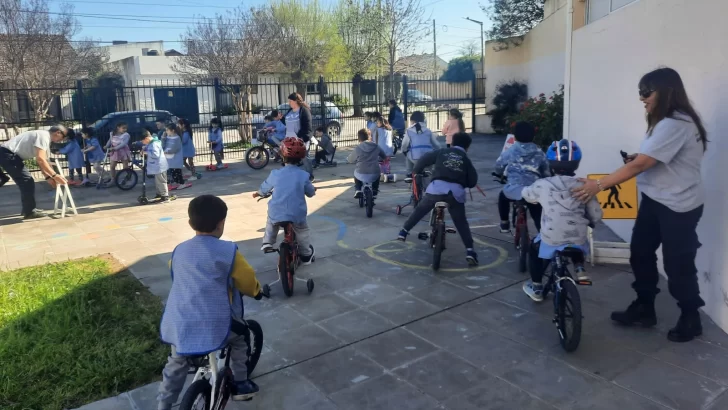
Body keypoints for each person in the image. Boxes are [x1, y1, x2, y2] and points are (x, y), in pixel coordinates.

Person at [572, 67, 708, 343]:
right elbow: (649, 158)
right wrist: (641, 156)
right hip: (656, 200)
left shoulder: (675, 123)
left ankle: (691, 317)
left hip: (678, 206)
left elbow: (642, 165)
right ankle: (645, 307)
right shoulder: (670, 120)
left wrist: (598, 185)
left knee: (677, 264)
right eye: (640, 92)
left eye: (647, 92)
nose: (642, 98)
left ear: (666, 91)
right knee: (641, 254)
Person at [157, 195, 263, 410]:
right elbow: (246, 279)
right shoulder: (229, 252)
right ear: (222, 223)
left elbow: (175, 272)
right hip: (215, 321)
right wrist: (257, 292)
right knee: (241, 337)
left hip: (180, 322)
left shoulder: (179, 250)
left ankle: (163, 404)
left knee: (176, 362)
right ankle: (241, 383)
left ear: (190, 223)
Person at [521, 140, 602, 302]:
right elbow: (595, 213)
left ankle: (536, 287)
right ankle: (579, 268)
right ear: (576, 164)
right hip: (577, 235)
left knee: (534, 249)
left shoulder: (542, 185)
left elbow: (527, 195)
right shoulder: (585, 185)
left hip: (552, 236)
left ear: (550, 163)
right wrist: (592, 221)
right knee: (578, 240)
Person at [397, 132, 479, 266]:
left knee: (420, 209)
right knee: (461, 222)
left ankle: (404, 231)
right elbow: (473, 180)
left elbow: (423, 160)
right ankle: (470, 251)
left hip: (436, 189)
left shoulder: (442, 152)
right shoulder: (465, 158)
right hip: (455, 194)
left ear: (451, 143)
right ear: (467, 147)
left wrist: (416, 171)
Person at [254, 137, 316, 263]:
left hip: (277, 212)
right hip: (297, 214)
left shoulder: (275, 174)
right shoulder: (304, 175)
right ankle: (305, 254)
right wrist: (313, 190)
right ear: (301, 158)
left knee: (271, 222)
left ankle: (267, 243)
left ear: (282, 155)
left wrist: (259, 193)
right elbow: (310, 192)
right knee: (302, 231)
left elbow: (265, 187)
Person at [0, 125, 68, 219]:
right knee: (27, 181)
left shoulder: (44, 137)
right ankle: (29, 211)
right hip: (8, 155)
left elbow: (43, 161)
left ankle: (28, 209)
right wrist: (55, 176)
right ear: (58, 133)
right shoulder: (44, 136)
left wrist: (48, 177)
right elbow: (40, 159)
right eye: (63, 137)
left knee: (26, 181)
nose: (62, 140)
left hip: (8, 155)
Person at [494, 121, 550, 233]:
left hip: (514, 189)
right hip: (533, 189)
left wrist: (500, 174)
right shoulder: (539, 152)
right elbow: (546, 171)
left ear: (514, 137)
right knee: (536, 209)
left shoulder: (511, 150)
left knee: (502, 197)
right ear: (533, 136)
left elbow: (498, 165)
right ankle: (542, 233)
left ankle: (504, 223)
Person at [348, 128, 386, 199]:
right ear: (369, 137)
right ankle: (375, 190)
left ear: (359, 139)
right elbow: (384, 156)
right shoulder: (376, 146)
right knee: (378, 172)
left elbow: (350, 160)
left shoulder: (358, 148)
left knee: (355, 173)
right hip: (374, 173)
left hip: (361, 173)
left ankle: (358, 189)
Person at [402, 111, 440, 177]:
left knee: (408, 155)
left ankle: (409, 175)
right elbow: (437, 145)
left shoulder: (409, 131)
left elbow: (404, 145)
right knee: (429, 171)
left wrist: (404, 151)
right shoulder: (428, 131)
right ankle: (429, 178)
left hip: (415, 158)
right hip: (428, 157)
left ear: (413, 121)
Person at [141, 130, 174, 203]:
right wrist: (145, 148)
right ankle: (159, 194)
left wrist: (146, 152)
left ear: (146, 138)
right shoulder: (152, 142)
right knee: (158, 181)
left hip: (159, 166)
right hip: (157, 166)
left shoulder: (154, 144)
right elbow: (149, 147)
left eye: (143, 141)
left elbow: (156, 154)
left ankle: (165, 196)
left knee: (161, 181)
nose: (143, 143)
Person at [164, 124, 189, 190]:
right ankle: (177, 183)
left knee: (177, 172)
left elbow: (175, 149)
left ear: (173, 130)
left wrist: (167, 152)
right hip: (169, 158)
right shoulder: (168, 137)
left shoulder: (177, 138)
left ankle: (182, 183)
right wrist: (163, 137)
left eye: (167, 130)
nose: (166, 131)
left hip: (175, 158)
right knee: (172, 172)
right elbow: (163, 144)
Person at [373, 117, 394, 181]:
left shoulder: (377, 130)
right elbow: (391, 138)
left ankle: (381, 174)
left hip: (381, 149)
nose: (377, 124)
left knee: (380, 162)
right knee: (387, 162)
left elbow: (375, 140)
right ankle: (387, 173)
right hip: (389, 149)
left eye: (377, 123)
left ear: (380, 123)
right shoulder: (390, 129)